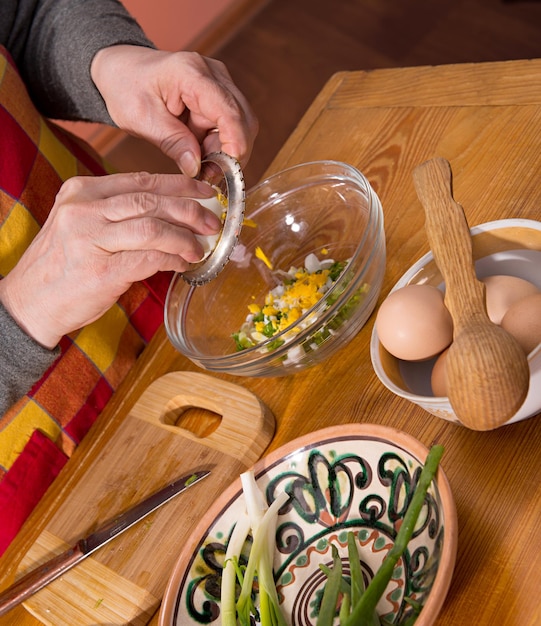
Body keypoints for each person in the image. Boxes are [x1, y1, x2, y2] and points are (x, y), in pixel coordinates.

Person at [0, 0, 258, 553]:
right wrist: (22, 314)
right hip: (37, 510)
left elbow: (24, 13)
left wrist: (114, 64)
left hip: (155, 307)